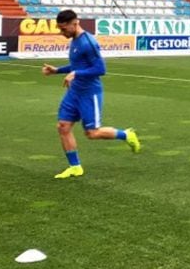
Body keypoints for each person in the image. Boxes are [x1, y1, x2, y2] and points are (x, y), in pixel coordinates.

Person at [41, 9, 140, 179]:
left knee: (92, 133)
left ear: (75, 23)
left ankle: (126, 134)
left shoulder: (88, 42)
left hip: (89, 93)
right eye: (60, 29)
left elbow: (100, 69)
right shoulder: (74, 40)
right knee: (63, 126)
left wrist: (77, 74)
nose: (61, 32)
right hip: (74, 92)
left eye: (64, 29)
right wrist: (57, 70)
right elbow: (77, 65)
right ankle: (75, 167)